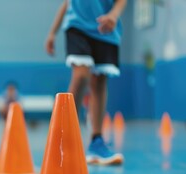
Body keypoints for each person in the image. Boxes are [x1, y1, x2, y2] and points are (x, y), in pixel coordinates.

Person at [45, 0, 126, 165]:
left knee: (99, 82)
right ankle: (63, 136)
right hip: (78, 25)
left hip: (105, 27)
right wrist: (52, 32)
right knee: (81, 74)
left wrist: (113, 15)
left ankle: (96, 142)